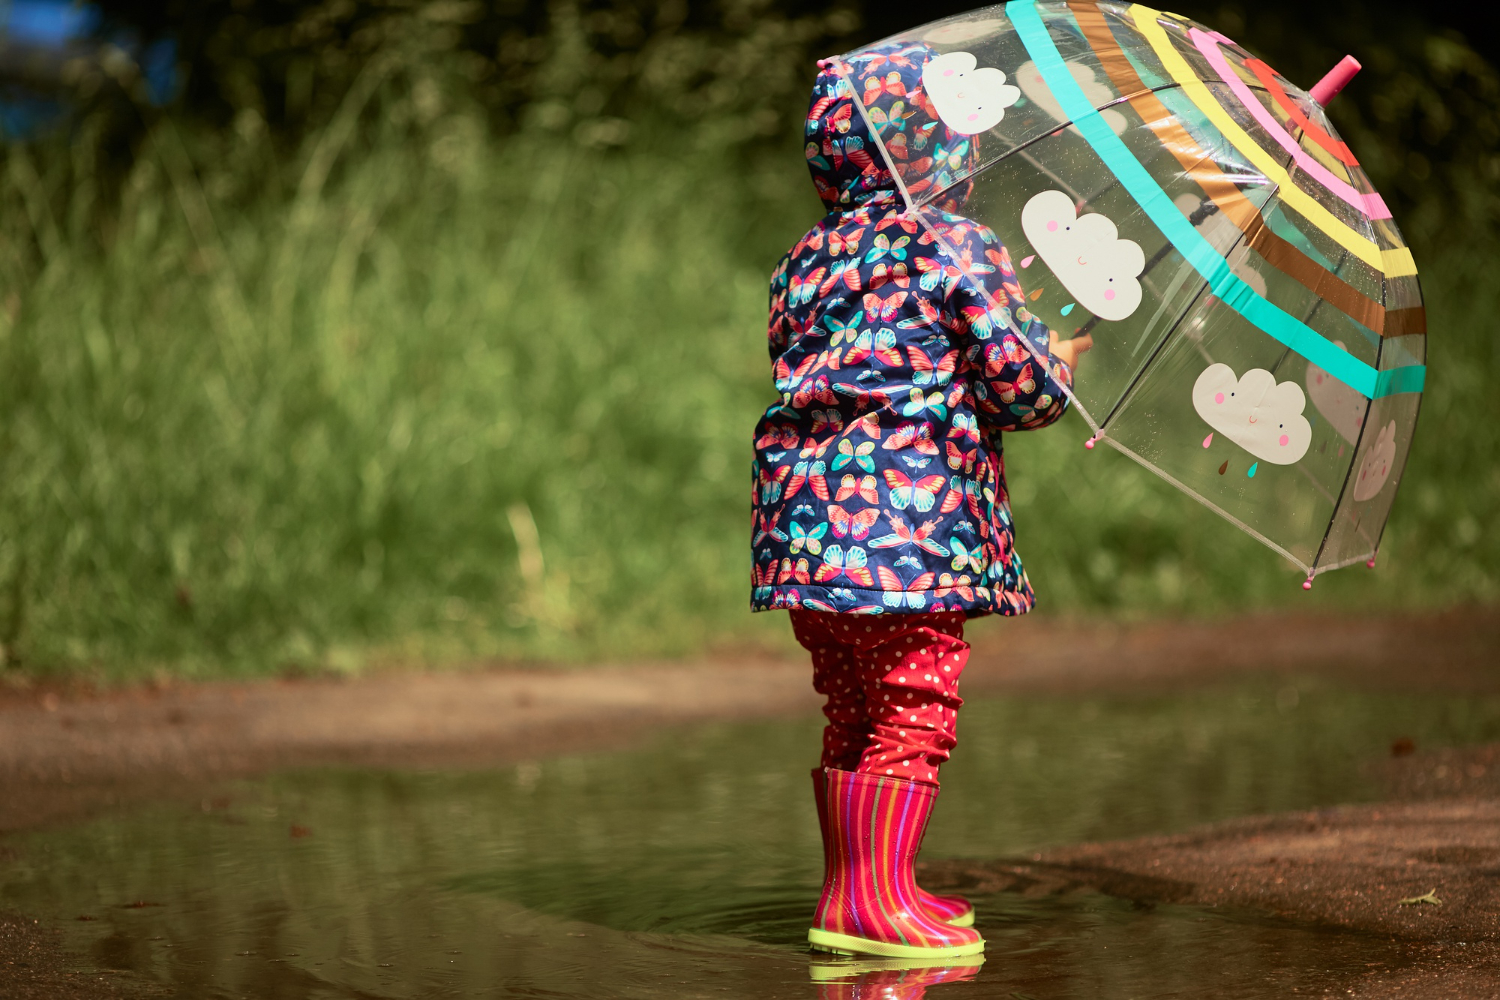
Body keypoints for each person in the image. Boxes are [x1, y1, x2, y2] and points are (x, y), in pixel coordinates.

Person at [749, 42, 1089, 959]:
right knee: (914, 707)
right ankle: (873, 900)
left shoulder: (804, 260)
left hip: (808, 536)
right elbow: (1020, 390)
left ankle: (860, 891)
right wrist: (1053, 359)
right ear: (942, 149)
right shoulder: (956, 246)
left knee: (852, 705)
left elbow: (864, 364)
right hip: (910, 538)